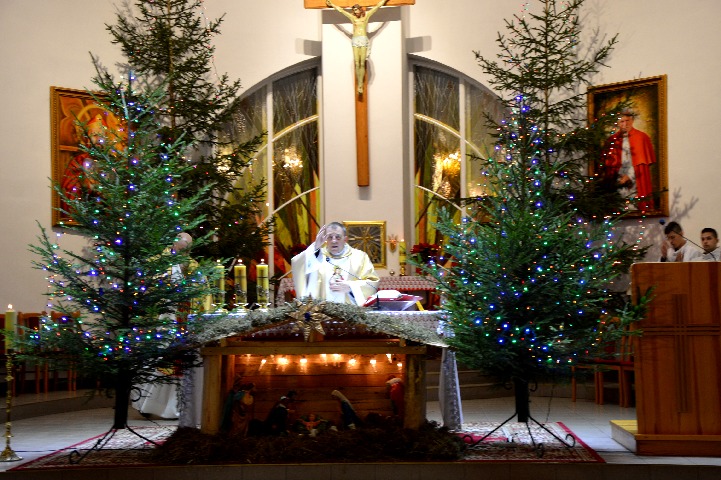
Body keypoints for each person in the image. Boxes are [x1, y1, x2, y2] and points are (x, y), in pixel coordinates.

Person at [291, 222, 379, 305]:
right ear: (325, 239)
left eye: (338, 237)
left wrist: (351, 287)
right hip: (321, 312)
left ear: (345, 239)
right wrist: (315, 246)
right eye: (330, 237)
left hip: (351, 311)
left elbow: (372, 283)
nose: (334, 241)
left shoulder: (360, 257)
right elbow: (298, 264)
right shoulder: (316, 256)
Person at [326, 0, 389, 95]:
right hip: (355, 40)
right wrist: (332, 5)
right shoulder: (353, 18)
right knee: (356, 62)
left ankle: (360, 84)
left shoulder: (366, 17)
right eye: (354, 10)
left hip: (363, 39)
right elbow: (341, 11)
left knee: (362, 63)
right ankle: (359, 84)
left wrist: (385, 0)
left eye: (356, 10)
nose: (355, 12)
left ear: (360, 9)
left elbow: (377, 7)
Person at [600, 108, 657, 212]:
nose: (625, 124)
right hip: (618, 181)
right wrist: (619, 177)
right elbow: (609, 166)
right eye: (622, 121)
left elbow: (641, 164)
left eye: (627, 121)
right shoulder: (612, 140)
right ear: (618, 123)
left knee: (634, 207)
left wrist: (629, 176)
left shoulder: (642, 137)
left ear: (632, 121)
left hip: (636, 180)